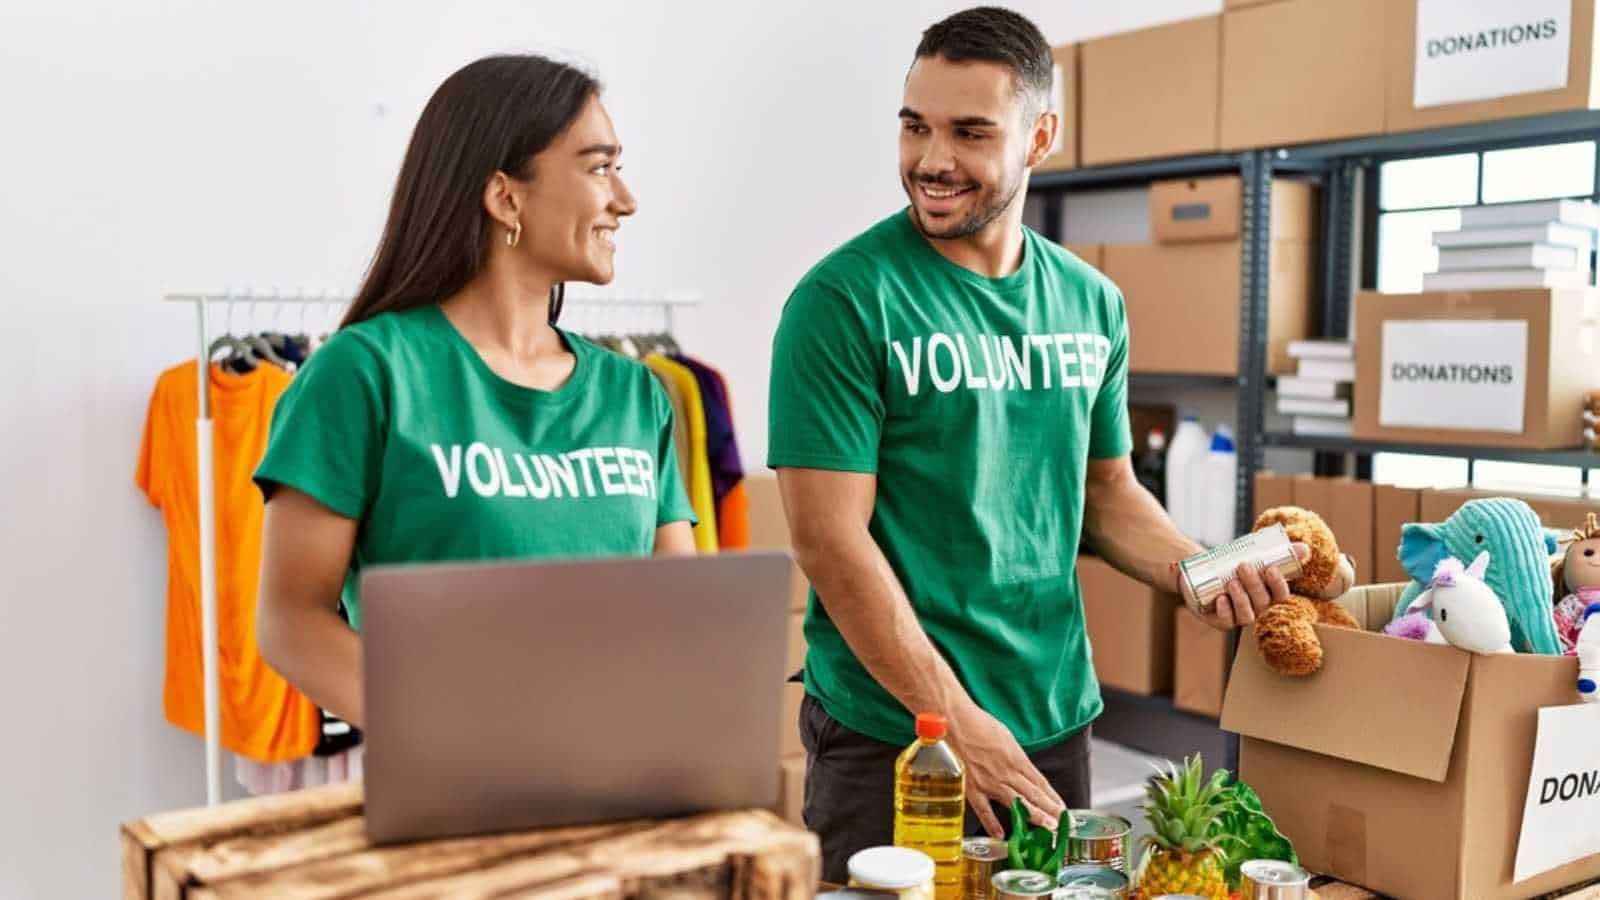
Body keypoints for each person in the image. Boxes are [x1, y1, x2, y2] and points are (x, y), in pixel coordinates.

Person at [766, 7, 1306, 880]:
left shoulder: (1092, 304)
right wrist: (952, 723)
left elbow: (1105, 493)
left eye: (970, 132)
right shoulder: (842, 302)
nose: (932, 160)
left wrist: (1199, 572)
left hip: (1052, 717)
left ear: (1040, 135)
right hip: (897, 737)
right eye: (915, 126)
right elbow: (830, 540)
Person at [255, 55, 697, 729]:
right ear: (505, 196)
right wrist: (454, 734)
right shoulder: (365, 374)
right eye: (599, 167)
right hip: (451, 802)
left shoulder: (637, 396)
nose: (625, 199)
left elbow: (679, 619)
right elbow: (290, 620)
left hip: (625, 785)